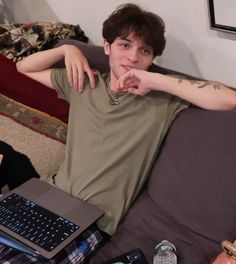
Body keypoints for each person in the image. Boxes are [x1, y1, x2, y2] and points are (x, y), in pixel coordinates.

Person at [1, 3, 235, 263]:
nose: (133, 57)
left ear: (152, 58)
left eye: (144, 50)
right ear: (107, 47)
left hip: (92, 221)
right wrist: (69, 49)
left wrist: (158, 80)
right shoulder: (84, 81)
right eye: (125, 45)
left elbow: (229, 100)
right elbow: (24, 67)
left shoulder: (163, 100)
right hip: (46, 193)